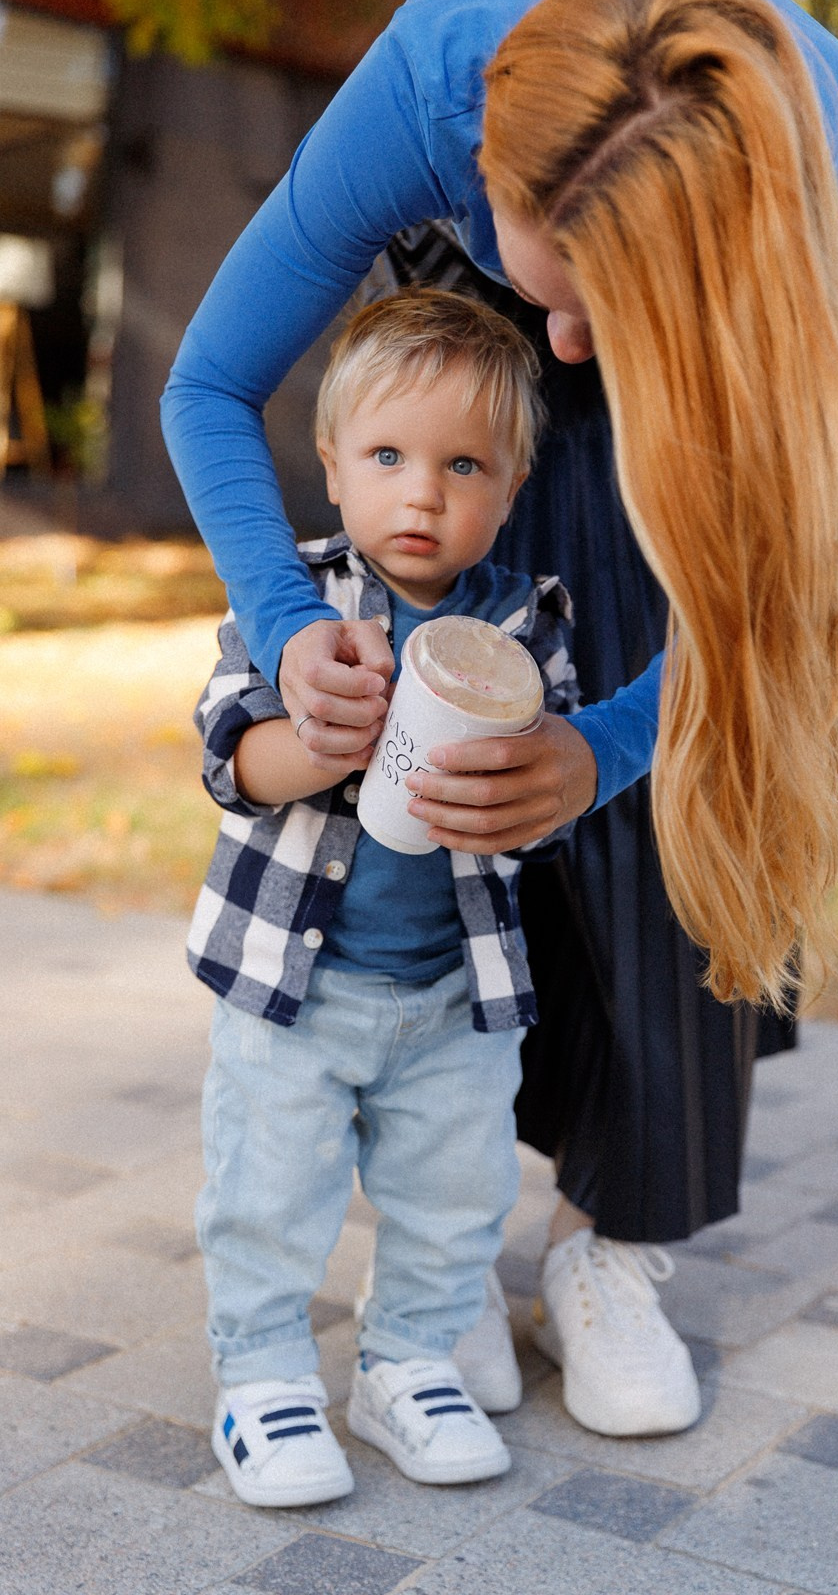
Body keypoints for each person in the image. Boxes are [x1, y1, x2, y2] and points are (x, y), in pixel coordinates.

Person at [163, 0, 838, 1441]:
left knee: (654, 728)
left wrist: (607, 749)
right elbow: (208, 383)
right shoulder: (431, 82)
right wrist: (289, 629)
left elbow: (771, 597)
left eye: (604, 314)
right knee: (476, 668)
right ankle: (440, 1258)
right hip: (475, 317)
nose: (571, 346)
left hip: (727, 330)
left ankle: (607, 1239)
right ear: (484, 164)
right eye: (555, 286)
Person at [189, 288, 583, 1507]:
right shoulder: (296, 600)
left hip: (454, 993)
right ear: (330, 463)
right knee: (267, 1193)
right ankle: (261, 1377)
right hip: (291, 992)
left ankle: (407, 1363)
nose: (422, 495)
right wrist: (313, 740)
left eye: (463, 465)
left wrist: (524, 784)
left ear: (510, 486)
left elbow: (552, 791)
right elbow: (228, 757)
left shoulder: (523, 621)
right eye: (387, 457)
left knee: (455, 1200)